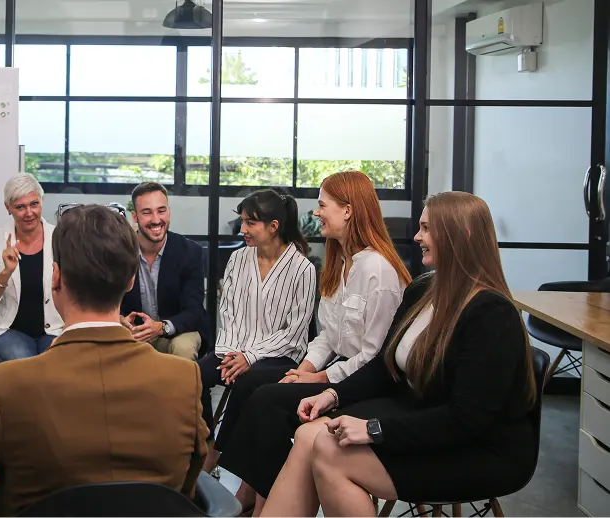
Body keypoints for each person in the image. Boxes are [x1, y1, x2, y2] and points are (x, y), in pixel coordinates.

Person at [220, 191, 538, 518]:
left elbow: (466, 419)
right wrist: (331, 395)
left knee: (328, 450)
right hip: (425, 417)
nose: (417, 237)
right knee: (307, 434)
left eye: (427, 228)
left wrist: (373, 429)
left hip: (479, 449)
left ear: (463, 235)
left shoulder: (491, 314)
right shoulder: (423, 290)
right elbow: (384, 367)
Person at [0, 205, 209, 518]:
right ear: (130, 280)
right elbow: (189, 486)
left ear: (56, 278)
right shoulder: (184, 378)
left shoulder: (3, 386)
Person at [205, 171, 411, 473]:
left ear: (347, 210)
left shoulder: (377, 270)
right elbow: (328, 337)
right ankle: (251, 492)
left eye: (322, 205)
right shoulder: (340, 262)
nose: (315, 213)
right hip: (338, 369)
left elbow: (374, 358)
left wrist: (318, 379)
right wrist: (301, 372)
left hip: (365, 383)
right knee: (262, 389)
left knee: (266, 398)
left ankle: (254, 493)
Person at [197, 190, 318, 455]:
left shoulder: (303, 269)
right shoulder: (238, 259)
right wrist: (231, 353)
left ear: (273, 226)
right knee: (194, 376)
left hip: (280, 356)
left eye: (250, 223)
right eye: (242, 222)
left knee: (246, 381)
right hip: (234, 348)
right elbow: (227, 312)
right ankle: (202, 445)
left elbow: (294, 334)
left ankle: (218, 455)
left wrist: (249, 356)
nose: (242, 229)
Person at [0, 173, 64, 364]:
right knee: (28, 368)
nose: (29, 213)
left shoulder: (60, 237)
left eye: (34, 204)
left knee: (55, 365)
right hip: (5, 331)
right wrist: (6, 272)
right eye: (20, 207)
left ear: (42, 201)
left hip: (54, 329)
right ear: (8, 208)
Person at [120, 182, 208, 361]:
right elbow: (105, 301)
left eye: (161, 211)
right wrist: (119, 319)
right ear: (135, 217)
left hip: (175, 331)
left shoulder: (190, 252)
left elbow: (194, 311)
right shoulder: (119, 252)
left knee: (184, 347)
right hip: (133, 334)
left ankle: (185, 390)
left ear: (169, 212)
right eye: (147, 212)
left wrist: (161, 327)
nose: (155, 219)